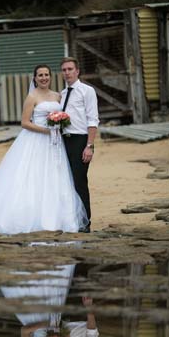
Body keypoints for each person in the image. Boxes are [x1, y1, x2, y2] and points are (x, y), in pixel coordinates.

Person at [0, 64, 88, 234]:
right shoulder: (31, 97)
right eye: (40, 75)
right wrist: (48, 130)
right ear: (35, 78)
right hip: (36, 140)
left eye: (46, 74)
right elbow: (25, 123)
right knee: (34, 176)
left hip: (55, 144)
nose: (44, 78)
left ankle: (60, 219)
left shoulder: (58, 96)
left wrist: (60, 126)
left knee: (56, 176)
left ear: (50, 77)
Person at [60, 57, 99, 233]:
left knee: (79, 181)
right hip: (63, 141)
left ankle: (85, 222)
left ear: (77, 71)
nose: (67, 72)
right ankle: (71, 219)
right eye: (64, 70)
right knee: (66, 182)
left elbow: (93, 119)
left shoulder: (87, 91)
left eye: (70, 69)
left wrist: (89, 145)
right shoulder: (61, 94)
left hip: (80, 140)